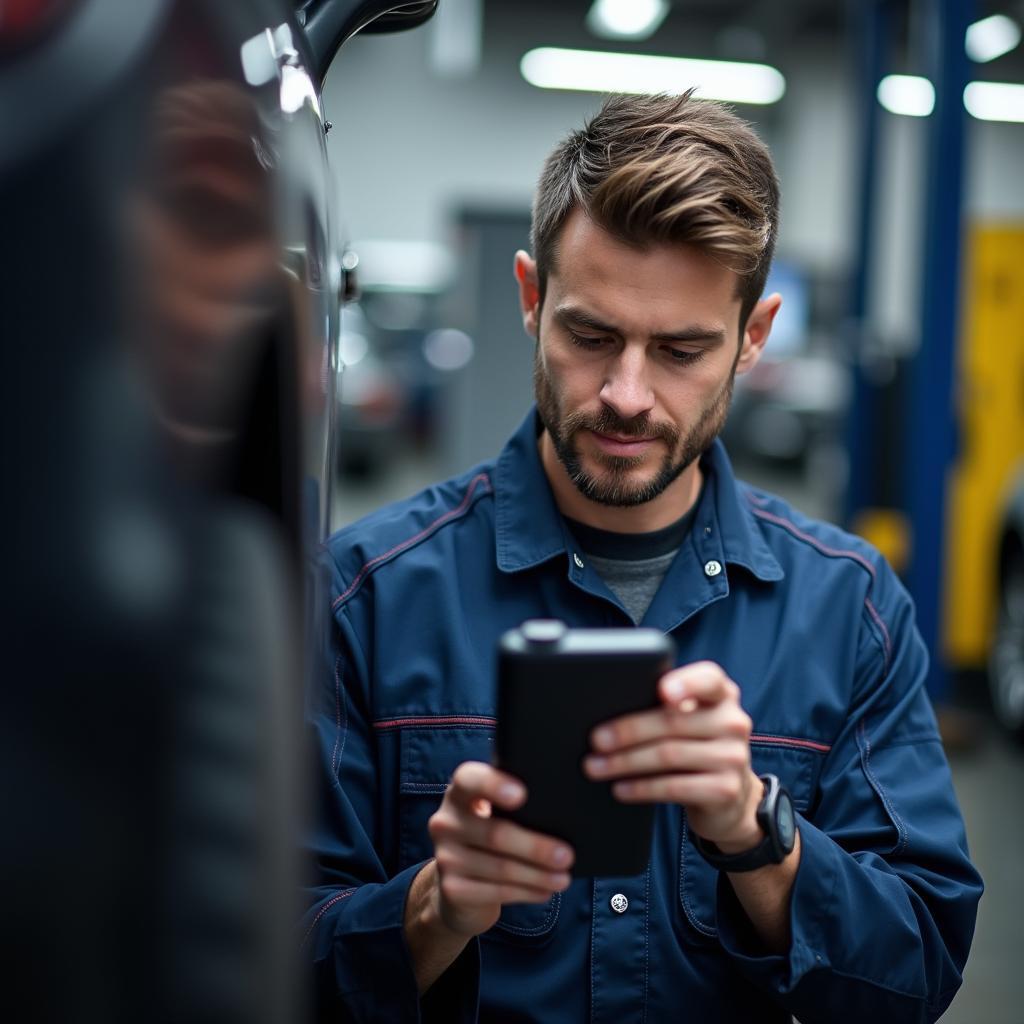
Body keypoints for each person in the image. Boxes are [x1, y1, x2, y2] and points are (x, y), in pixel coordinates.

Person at [303, 92, 982, 1022]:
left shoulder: (848, 607)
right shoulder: (363, 597)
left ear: (752, 338)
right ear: (530, 298)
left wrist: (758, 836)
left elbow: (917, 970)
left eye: (680, 350)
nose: (626, 394)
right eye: (590, 336)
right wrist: (432, 908)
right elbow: (261, 964)